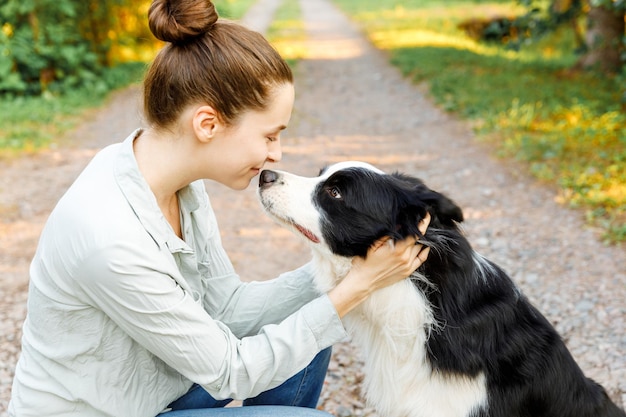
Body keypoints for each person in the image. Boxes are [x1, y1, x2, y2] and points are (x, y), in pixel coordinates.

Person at [7, 0, 430, 416]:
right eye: (269, 136)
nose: (277, 154)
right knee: (315, 352)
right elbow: (233, 372)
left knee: (310, 322)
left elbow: (227, 309)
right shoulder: (109, 237)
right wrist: (355, 287)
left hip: (160, 389)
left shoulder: (171, 181)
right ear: (207, 124)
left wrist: (353, 264)